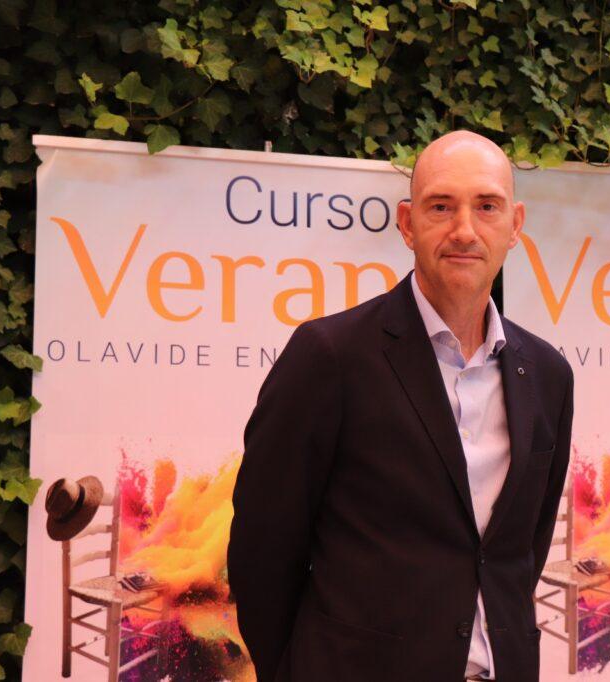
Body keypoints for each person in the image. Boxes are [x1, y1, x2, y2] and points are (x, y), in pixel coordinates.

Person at [228, 130, 574, 682]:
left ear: (515, 226)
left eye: (487, 206)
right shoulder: (330, 356)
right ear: (408, 224)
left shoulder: (548, 375)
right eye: (441, 206)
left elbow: (520, 553)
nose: (465, 230)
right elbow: (262, 551)